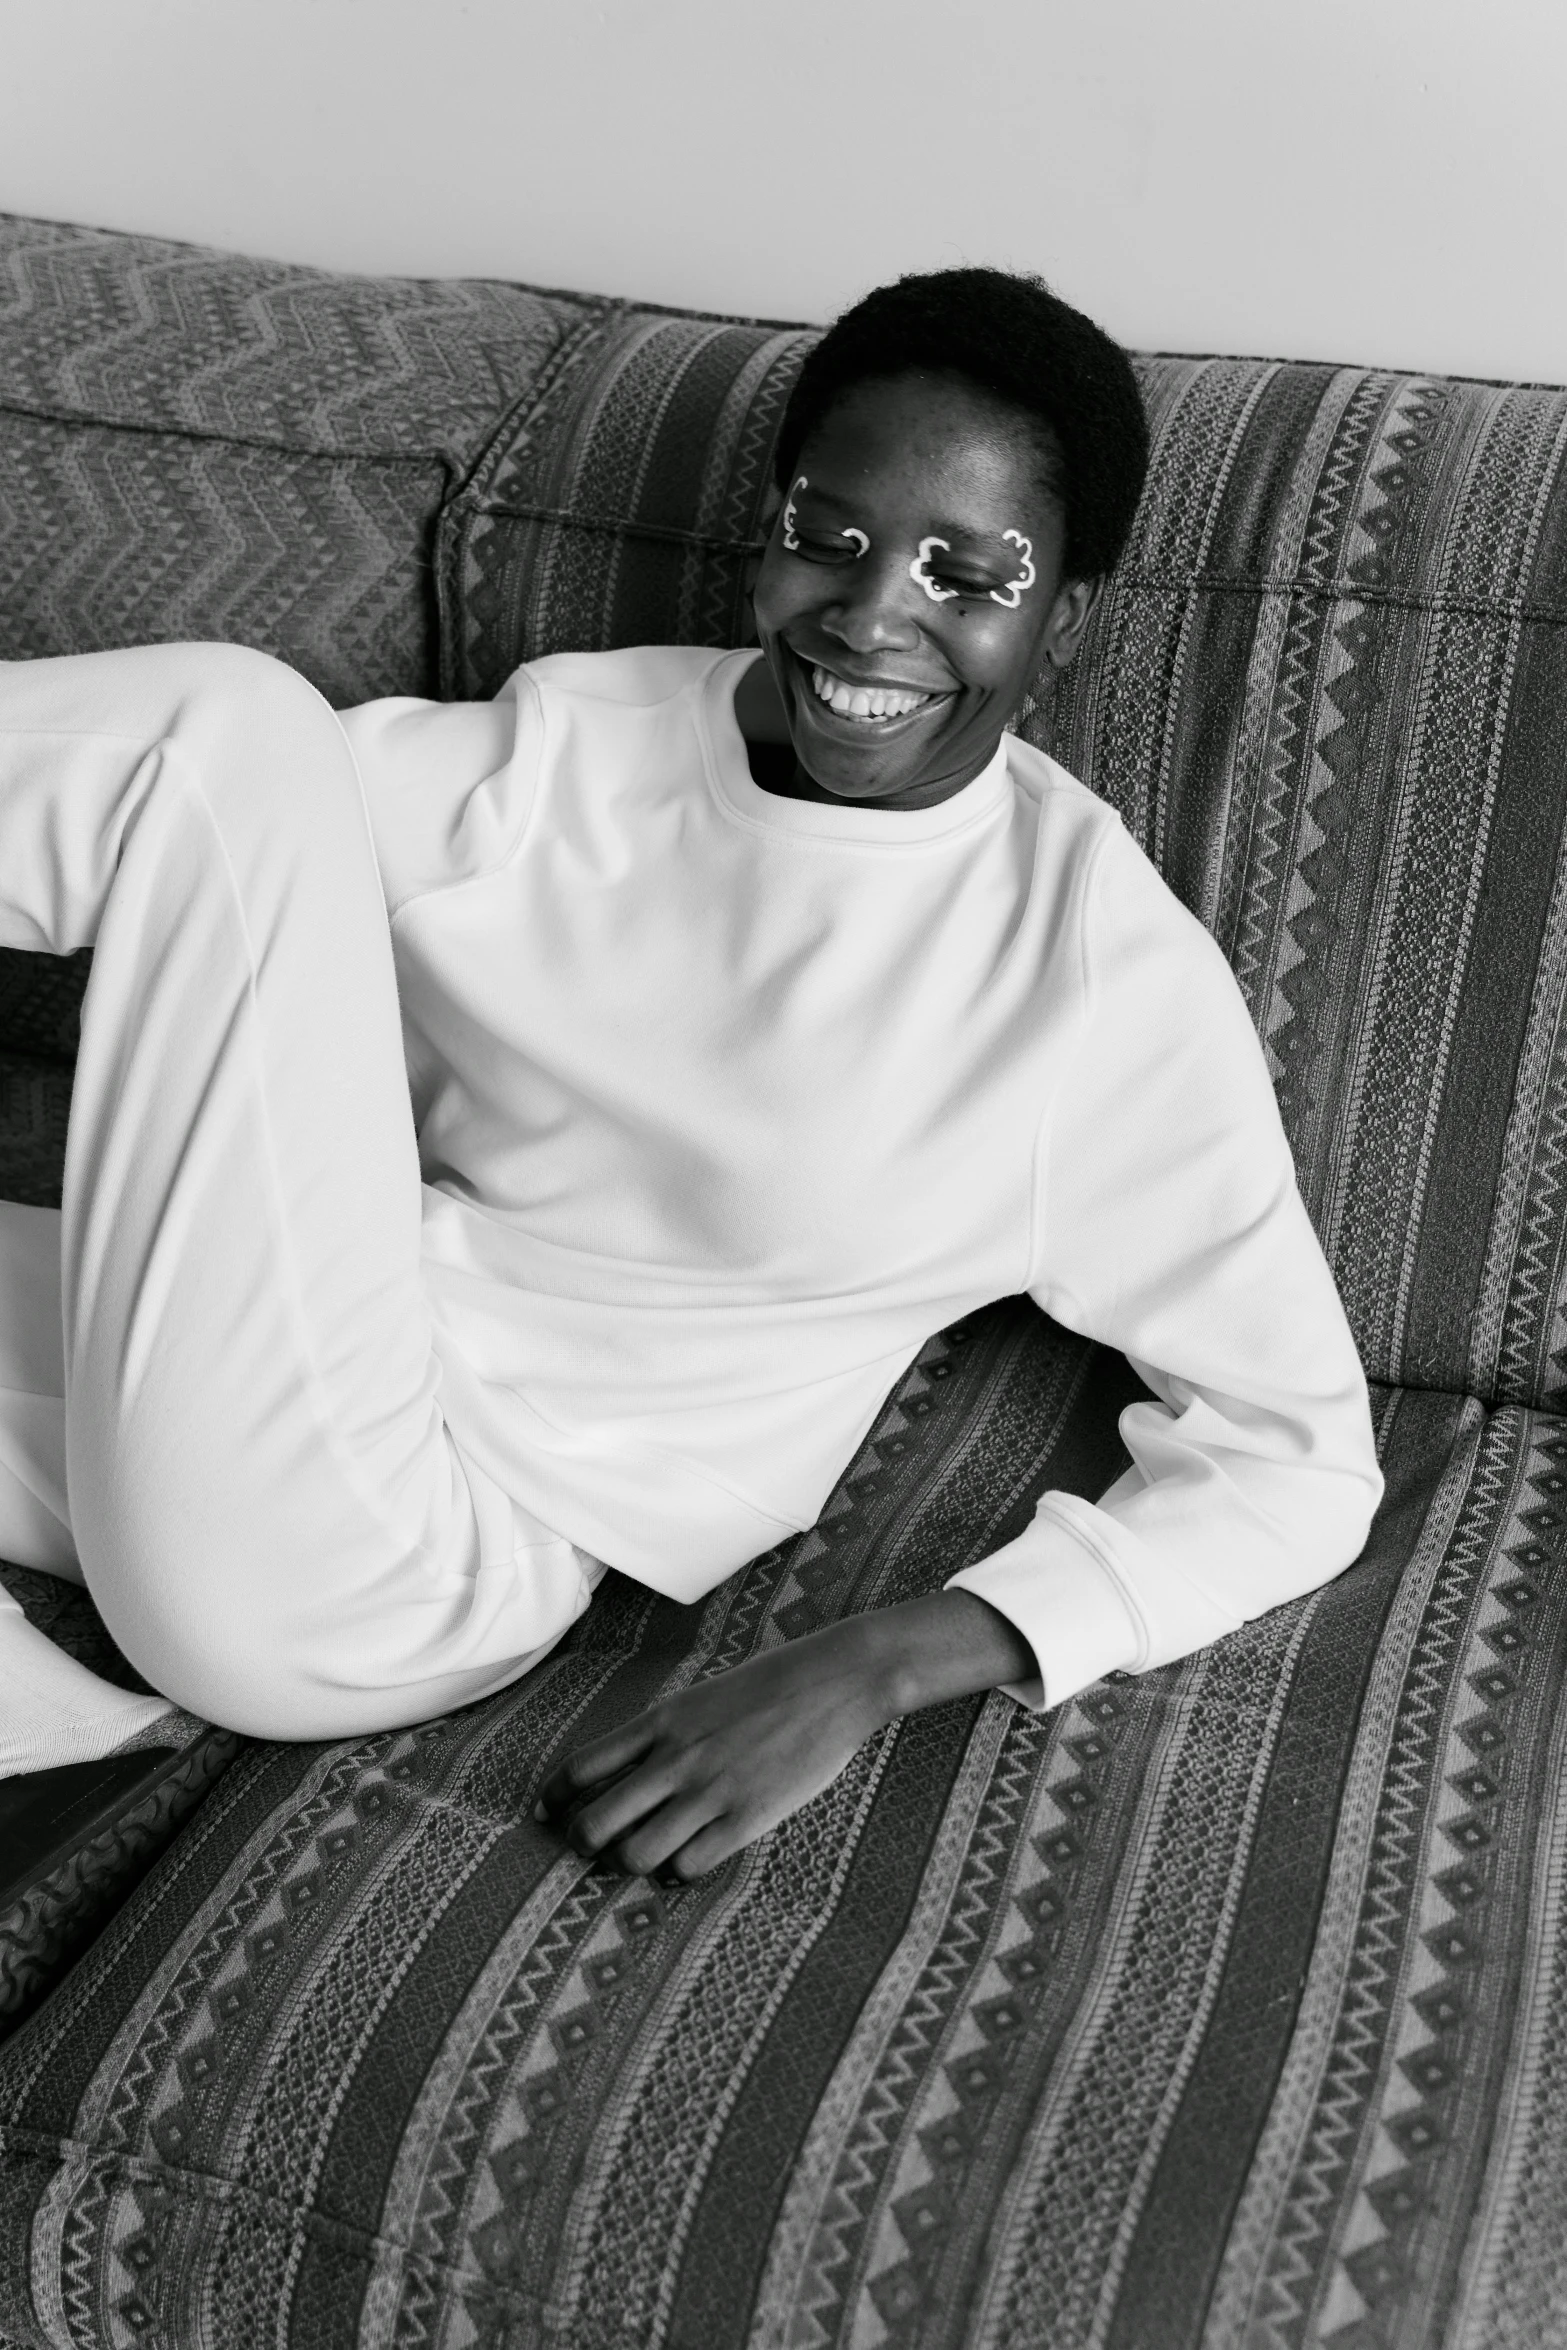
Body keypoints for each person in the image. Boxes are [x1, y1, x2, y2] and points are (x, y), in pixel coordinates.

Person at [0, 267, 1382, 1893]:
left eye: (970, 570)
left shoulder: (1091, 981)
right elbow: (230, 886)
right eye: (831, 535)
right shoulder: (582, 747)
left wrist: (882, 1662)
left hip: (394, 1559)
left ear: (1061, 617)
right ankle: (51, 1746)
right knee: (233, 762)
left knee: (215, 734)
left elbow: (1297, 1458)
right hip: (250, 1380)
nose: (873, 616)